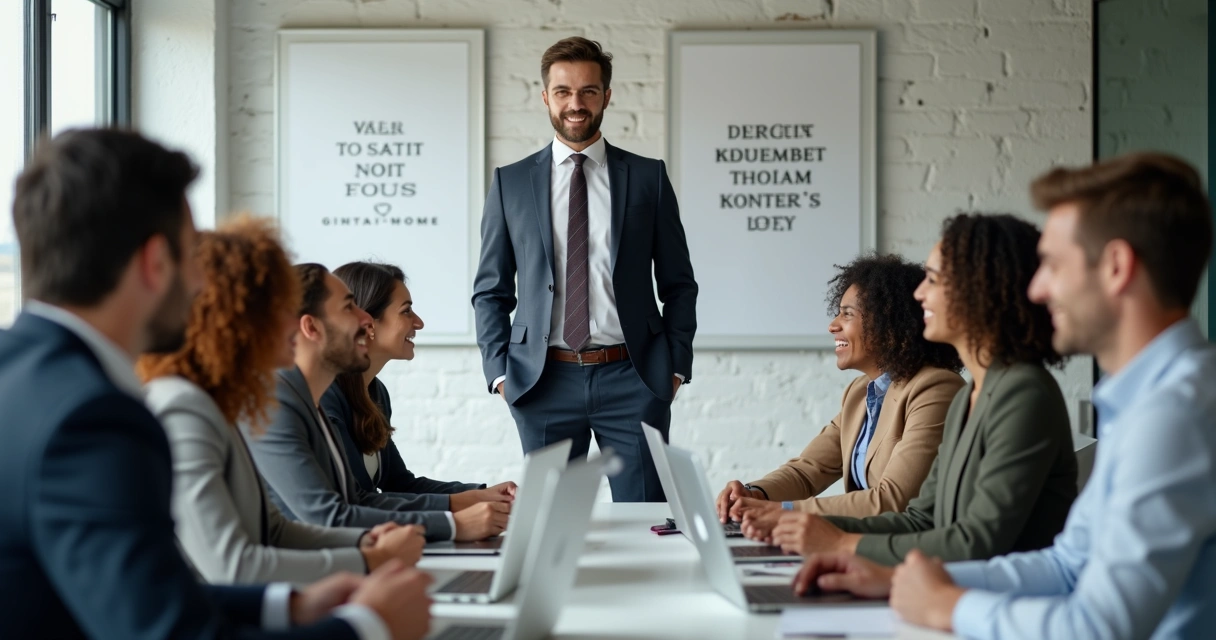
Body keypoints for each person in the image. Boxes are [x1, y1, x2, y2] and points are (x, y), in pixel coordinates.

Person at [0, 128, 431, 640]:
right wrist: (365, 625)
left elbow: (148, 592)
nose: (204, 286)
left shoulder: (23, 375)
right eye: (190, 255)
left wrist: (290, 605)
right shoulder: (94, 418)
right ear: (155, 263)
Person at [792, 153, 1216, 639]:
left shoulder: (1175, 415)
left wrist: (949, 605)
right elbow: (1066, 566)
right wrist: (904, 580)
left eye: (1053, 265)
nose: (1036, 289)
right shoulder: (1145, 403)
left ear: (1117, 267)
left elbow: (1098, 626)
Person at [749, 213, 1078, 566]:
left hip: (1000, 604)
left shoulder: (1020, 393)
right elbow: (920, 520)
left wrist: (838, 542)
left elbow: (978, 542)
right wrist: (796, 523)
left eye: (933, 280)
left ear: (981, 290)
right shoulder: (972, 396)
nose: (920, 293)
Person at [140, 218, 426, 585]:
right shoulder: (186, 407)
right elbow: (232, 568)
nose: (298, 323)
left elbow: (273, 531)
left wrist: (368, 543)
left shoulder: (231, 402)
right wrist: (370, 559)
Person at [472, 36, 698, 502]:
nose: (575, 104)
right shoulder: (510, 183)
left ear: (607, 96)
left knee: (645, 521)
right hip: (542, 382)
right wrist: (499, 373)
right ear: (545, 97)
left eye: (588, 91)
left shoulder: (648, 178)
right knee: (552, 528)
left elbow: (678, 284)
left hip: (633, 379)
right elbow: (491, 290)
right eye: (563, 92)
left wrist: (673, 367)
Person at [246, 263, 510, 543]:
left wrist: (475, 498)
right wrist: (454, 523)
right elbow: (336, 514)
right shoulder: (283, 402)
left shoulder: (341, 395)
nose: (365, 319)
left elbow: (374, 493)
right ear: (311, 327)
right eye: (350, 308)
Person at [716, 254, 964, 526]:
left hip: (909, 554)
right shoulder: (859, 393)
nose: (833, 325)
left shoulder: (935, 389)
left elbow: (894, 501)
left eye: (847, 314)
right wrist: (754, 495)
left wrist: (781, 512)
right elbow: (807, 471)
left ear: (891, 325)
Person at [323, 261, 517, 502]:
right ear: (368, 321)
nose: (419, 323)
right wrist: (459, 512)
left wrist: (482, 494)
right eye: (406, 311)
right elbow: (355, 500)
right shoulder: (326, 396)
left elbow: (400, 483)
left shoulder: (375, 393)